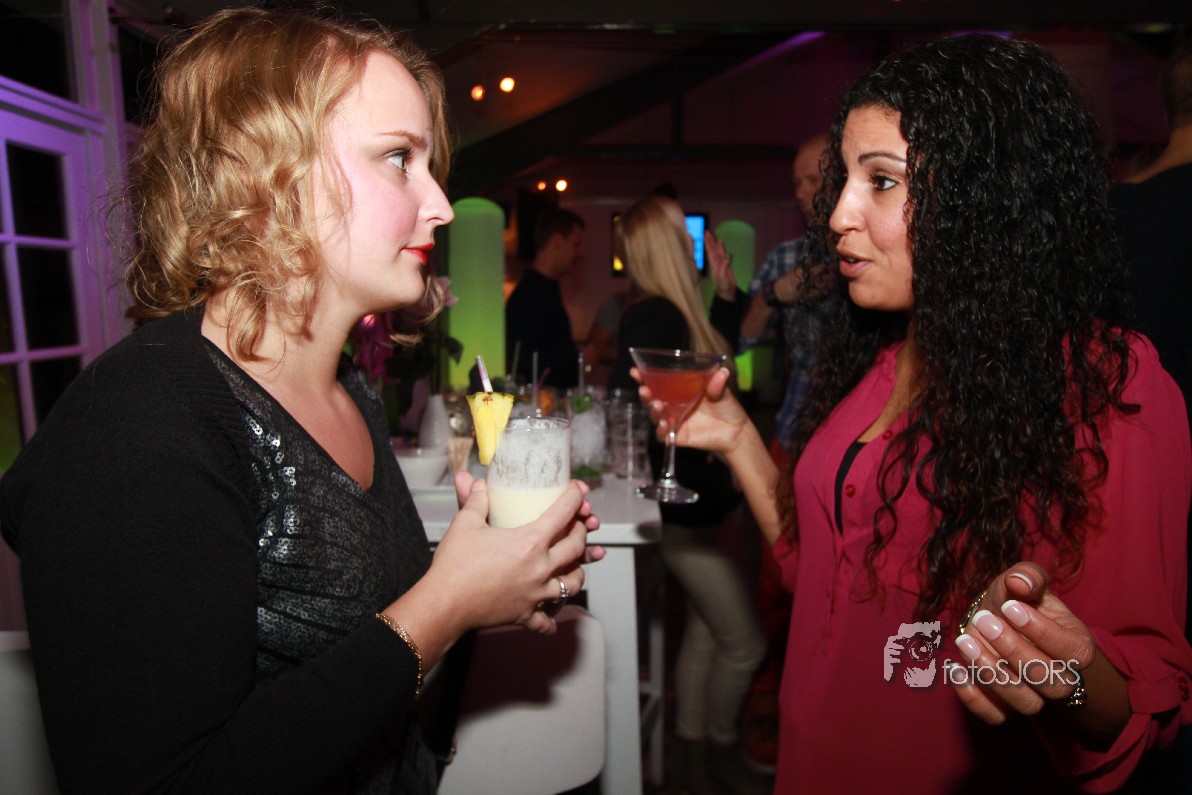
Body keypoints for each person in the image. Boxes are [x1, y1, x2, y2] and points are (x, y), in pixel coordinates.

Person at [0, 9, 602, 794]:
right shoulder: (135, 429)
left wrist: (489, 582)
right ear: (266, 174)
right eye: (399, 158)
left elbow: (358, 658)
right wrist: (447, 601)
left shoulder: (345, 387)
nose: (441, 205)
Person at [634, 34, 1192, 792]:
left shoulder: (1102, 384)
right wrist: (736, 435)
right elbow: (822, 571)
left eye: (882, 181)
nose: (838, 213)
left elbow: (1140, 694)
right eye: (844, 179)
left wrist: (1064, 674)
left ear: (984, 196)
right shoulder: (881, 364)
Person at [608, 195, 768, 795]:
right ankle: (719, 747)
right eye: (683, 232)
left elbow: (714, 374)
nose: (693, 241)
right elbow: (636, 405)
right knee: (745, 644)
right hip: (685, 516)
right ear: (666, 244)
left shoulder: (677, 311)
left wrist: (725, 296)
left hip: (701, 509)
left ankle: (693, 755)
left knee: (705, 634)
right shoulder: (656, 316)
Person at [505, 207, 585, 390]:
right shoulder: (530, 296)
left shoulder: (546, 289)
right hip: (537, 404)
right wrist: (578, 358)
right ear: (556, 241)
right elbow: (528, 364)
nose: (580, 253)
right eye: (576, 244)